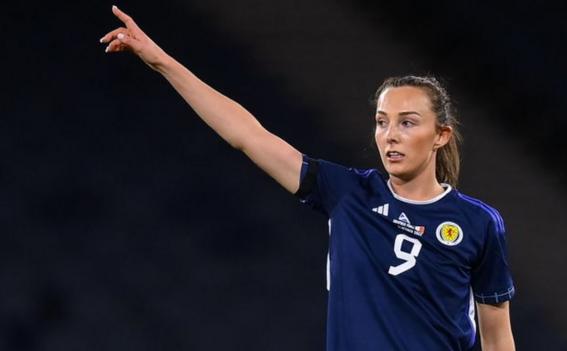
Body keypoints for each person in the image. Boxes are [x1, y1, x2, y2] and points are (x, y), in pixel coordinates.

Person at [101, 5, 516, 351]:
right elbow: (248, 136)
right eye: (381, 122)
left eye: (407, 123)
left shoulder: (478, 224)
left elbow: (498, 337)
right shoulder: (348, 193)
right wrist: (160, 61)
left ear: (440, 135)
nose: (390, 135)